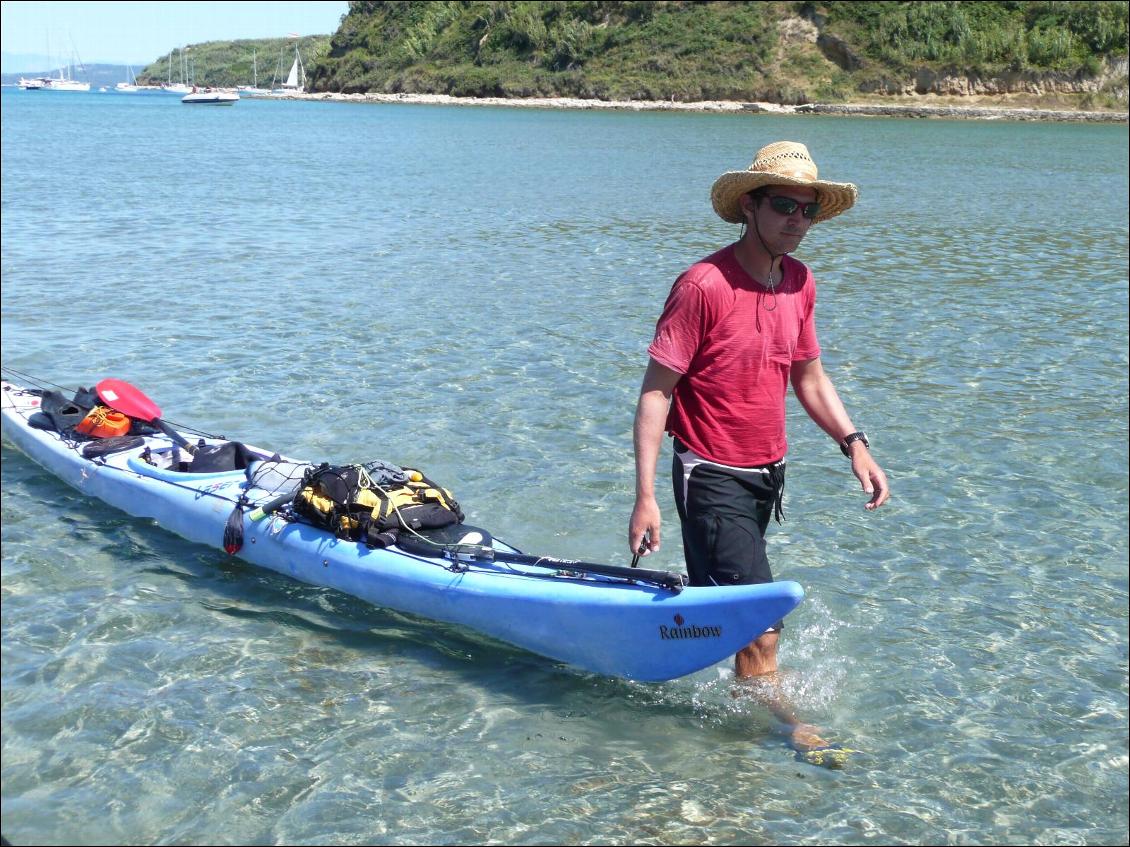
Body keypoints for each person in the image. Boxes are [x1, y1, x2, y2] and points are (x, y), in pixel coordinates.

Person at [628, 140, 889, 758]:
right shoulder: (703, 285)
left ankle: (731, 711)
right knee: (760, 631)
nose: (796, 220)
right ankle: (786, 733)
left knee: (739, 613)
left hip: (766, 475)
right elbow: (655, 395)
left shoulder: (800, 282)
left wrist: (853, 443)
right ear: (749, 206)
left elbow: (809, 377)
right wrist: (645, 498)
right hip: (710, 472)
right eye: (783, 206)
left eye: (807, 210)